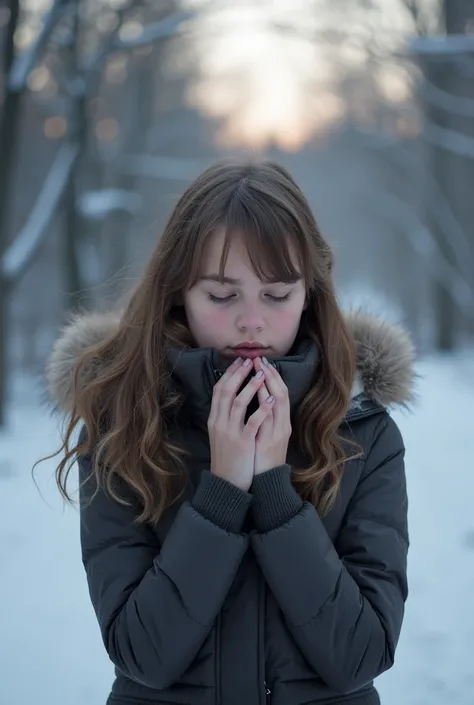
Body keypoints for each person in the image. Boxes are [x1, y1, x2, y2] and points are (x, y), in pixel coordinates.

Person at [45, 159, 414, 705]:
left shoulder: (363, 433)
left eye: (277, 294)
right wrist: (220, 492)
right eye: (222, 296)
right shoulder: (122, 426)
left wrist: (273, 491)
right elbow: (142, 655)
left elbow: (359, 656)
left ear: (309, 293)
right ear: (178, 293)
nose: (251, 321)